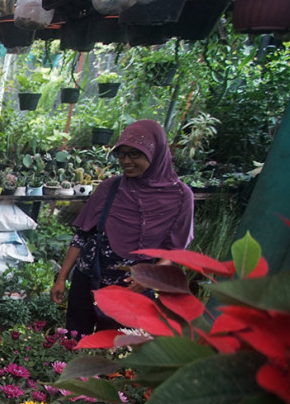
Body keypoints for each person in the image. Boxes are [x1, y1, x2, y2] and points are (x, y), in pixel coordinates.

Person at [51, 119, 194, 336]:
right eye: (122, 154)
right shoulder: (110, 188)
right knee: (75, 341)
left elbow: (173, 251)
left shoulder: (181, 197)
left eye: (135, 154)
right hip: (88, 282)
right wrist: (61, 278)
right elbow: (81, 237)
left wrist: (149, 277)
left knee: (116, 353)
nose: (126, 161)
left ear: (156, 152)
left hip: (130, 291)